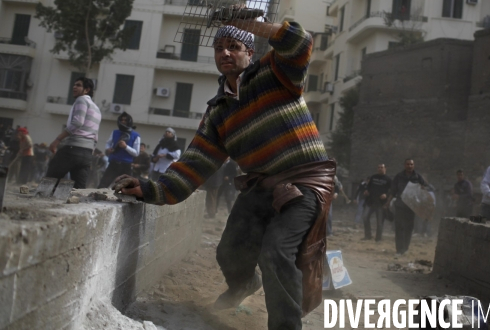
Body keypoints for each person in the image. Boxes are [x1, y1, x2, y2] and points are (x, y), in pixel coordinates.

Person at [112, 18, 335, 330]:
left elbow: (300, 42)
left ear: (250, 52)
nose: (225, 53)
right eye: (219, 48)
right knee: (230, 250)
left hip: (306, 182)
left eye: (234, 46)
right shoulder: (218, 111)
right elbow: (195, 162)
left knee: (275, 252)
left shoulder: (276, 72)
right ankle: (243, 285)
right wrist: (150, 189)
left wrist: (251, 23)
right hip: (261, 187)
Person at [46, 77, 101, 189]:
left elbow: (77, 123)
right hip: (87, 152)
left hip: (73, 149)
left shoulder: (81, 100)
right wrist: (90, 153)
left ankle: (41, 201)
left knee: (50, 180)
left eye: (78, 85)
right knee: (78, 189)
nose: (74, 87)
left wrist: (57, 140)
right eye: (74, 84)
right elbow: (95, 134)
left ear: (86, 90)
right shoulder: (96, 108)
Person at [389, 158, 427, 256]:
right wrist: (387, 202)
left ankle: (405, 248)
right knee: (399, 227)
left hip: (411, 206)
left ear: (413, 165)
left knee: (408, 228)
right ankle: (399, 249)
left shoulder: (417, 177)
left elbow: (425, 188)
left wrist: (423, 189)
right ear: (404, 165)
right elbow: (393, 190)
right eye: (407, 164)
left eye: (411, 164)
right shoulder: (399, 176)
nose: (409, 166)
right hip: (400, 205)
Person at [97, 112, 140, 188]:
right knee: (103, 184)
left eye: (125, 120)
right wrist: (108, 149)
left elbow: (136, 153)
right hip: (113, 164)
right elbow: (108, 143)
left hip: (126, 166)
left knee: (127, 188)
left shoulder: (135, 135)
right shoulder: (115, 132)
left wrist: (125, 147)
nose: (123, 122)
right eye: (122, 120)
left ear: (129, 121)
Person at [361, 164, 392, 241]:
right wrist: (367, 191)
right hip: (371, 201)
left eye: (382, 167)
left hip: (381, 203)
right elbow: (369, 186)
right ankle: (368, 236)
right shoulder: (373, 177)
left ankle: (378, 238)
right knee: (365, 217)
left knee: (379, 221)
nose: (380, 169)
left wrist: (386, 195)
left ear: (385, 168)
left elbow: (392, 190)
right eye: (378, 167)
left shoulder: (388, 179)